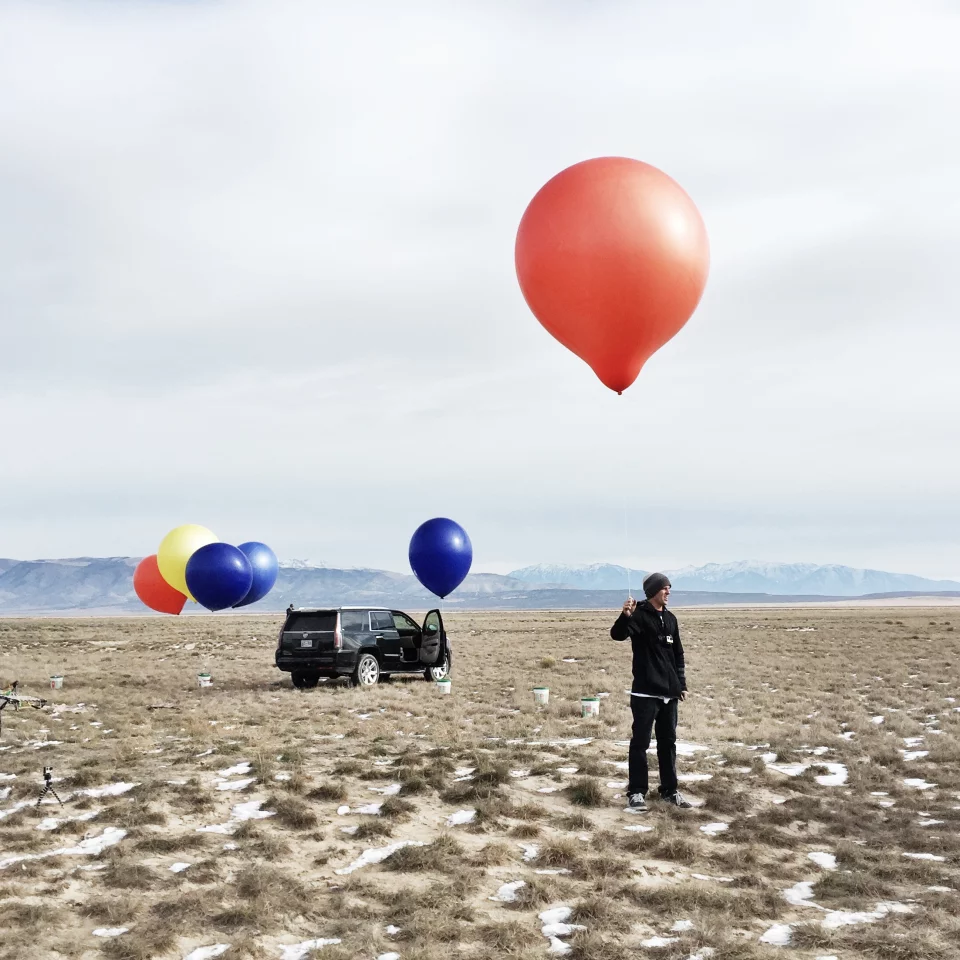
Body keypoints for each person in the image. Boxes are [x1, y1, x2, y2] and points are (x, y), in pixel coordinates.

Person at [611, 572, 691, 812]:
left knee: (668, 743)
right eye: (665, 588)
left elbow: (678, 654)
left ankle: (669, 791)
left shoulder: (671, 619)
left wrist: (681, 684)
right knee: (640, 744)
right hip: (645, 693)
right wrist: (625, 616)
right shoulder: (639, 614)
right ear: (654, 591)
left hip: (670, 693)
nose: (668, 592)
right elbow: (617, 635)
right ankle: (637, 792)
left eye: (669, 587)